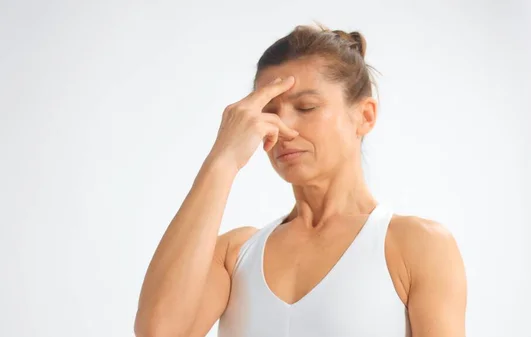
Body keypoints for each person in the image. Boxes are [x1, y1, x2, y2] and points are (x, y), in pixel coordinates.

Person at [134, 23, 467, 337]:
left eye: (306, 107)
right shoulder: (235, 255)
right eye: (270, 112)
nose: (284, 129)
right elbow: (158, 331)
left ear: (365, 116)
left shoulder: (416, 246)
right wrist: (222, 160)